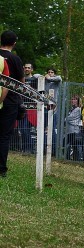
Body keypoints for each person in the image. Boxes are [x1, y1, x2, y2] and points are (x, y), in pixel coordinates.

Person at [0, 30, 24, 178]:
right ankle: (1, 168)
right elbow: (22, 83)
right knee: (4, 136)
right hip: (10, 102)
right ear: (14, 43)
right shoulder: (15, 59)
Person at [66, 95, 84, 161]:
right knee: (73, 145)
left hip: (74, 130)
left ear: (78, 101)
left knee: (72, 145)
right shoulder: (72, 108)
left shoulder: (78, 109)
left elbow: (70, 118)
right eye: (72, 99)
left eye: (74, 99)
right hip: (70, 130)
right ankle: (73, 159)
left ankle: (77, 159)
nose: (72, 101)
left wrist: (66, 118)